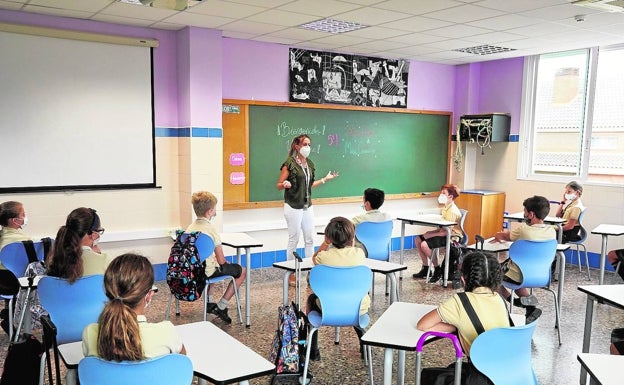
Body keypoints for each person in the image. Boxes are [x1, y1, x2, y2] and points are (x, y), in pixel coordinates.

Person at [83, 253, 186, 360]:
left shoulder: (90, 334)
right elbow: (182, 363)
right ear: (149, 295)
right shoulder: (167, 332)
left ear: (109, 291)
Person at [417, 251, 510, 355]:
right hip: (507, 364)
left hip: (481, 366)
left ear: (463, 279)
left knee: (427, 372)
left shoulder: (461, 301)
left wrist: (456, 327)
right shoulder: (499, 299)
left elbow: (423, 325)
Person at [306, 216, 370, 361]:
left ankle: (313, 350)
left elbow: (314, 258)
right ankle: (363, 345)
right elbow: (351, 252)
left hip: (329, 308)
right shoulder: (359, 254)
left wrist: (324, 242)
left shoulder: (324, 257)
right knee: (353, 303)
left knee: (311, 299)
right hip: (357, 308)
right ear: (352, 237)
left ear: (328, 237)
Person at [276, 134, 338, 285]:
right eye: (305, 144)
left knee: (310, 238)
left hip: (307, 206)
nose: (308, 147)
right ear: (297, 146)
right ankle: (291, 274)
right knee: (294, 239)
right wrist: (284, 184)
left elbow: (309, 185)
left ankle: (311, 272)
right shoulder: (289, 164)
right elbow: (278, 184)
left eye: (309, 144)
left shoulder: (309, 163)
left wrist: (325, 179)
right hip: (293, 206)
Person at [492, 195, 556, 323]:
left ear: (531, 214)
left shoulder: (523, 230)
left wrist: (498, 234)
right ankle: (530, 307)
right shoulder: (551, 231)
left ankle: (513, 300)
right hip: (542, 276)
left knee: (491, 273)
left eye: (525, 211)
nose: (524, 214)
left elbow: (504, 236)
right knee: (515, 272)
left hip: (519, 275)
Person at [186, 191, 245, 324]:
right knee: (242, 271)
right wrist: (226, 263)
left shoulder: (189, 228)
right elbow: (221, 260)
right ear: (210, 211)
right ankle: (221, 306)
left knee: (210, 263)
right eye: (214, 209)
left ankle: (210, 302)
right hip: (206, 272)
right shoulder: (211, 230)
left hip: (192, 270)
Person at [47, 207, 113, 282]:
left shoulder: (53, 260)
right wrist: (98, 256)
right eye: (100, 231)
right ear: (94, 234)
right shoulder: (104, 260)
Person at [412, 184, 462, 283]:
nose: (441, 195)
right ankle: (426, 268)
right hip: (444, 233)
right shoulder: (446, 207)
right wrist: (430, 232)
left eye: (444, 193)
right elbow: (442, 228)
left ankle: (437, 268)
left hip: (451, 237)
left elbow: (446, 232)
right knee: (418, 239)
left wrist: (430, 235)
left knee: (424, 245)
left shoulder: (452, 211)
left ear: (450, 197)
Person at [0, 201, 32, 334]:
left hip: (2, 282)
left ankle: (9, 313)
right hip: (19, 284)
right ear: (14, 220)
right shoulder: (25, 241)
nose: (25, 217)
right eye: (23, 214)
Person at [351, 188, 392, 254]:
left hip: (362, 255)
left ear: (367, 203)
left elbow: (345, 230)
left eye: (363, 198)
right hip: (382, 254)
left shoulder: (358, 219)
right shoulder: (387, 217)